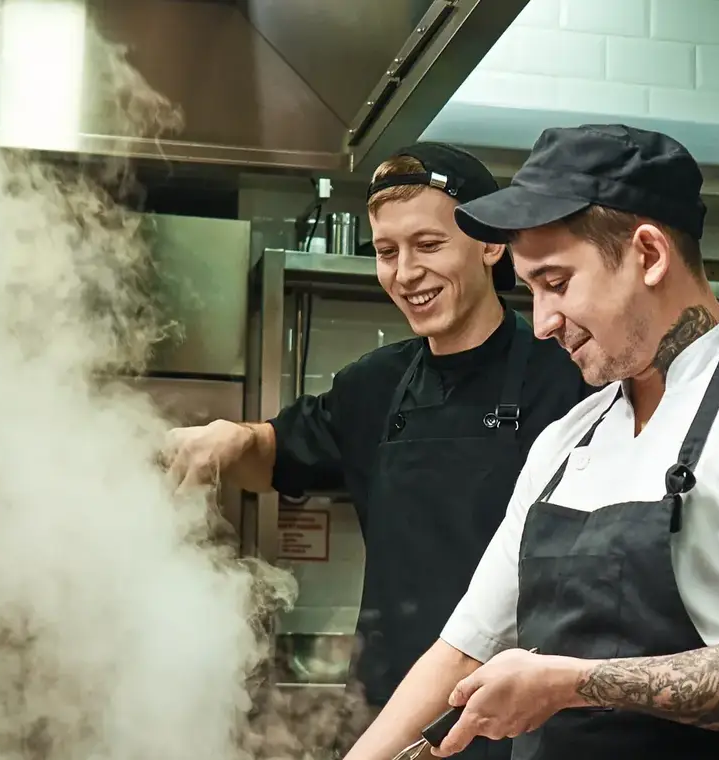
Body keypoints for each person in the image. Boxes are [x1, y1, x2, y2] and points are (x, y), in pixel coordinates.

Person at [340, 125, 719, 760]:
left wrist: (573, 683)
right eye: (532, 289)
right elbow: (462, 651)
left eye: (558, 283)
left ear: (648, 255)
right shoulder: (567, 441)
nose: (540, 323)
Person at [165, 143, 596, 758]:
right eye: (387, 252)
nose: (405, 273)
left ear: (491, 244)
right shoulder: (373, 386)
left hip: (520, 724)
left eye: (428, 245)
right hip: (386, 711)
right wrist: (235, 438)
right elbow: (280, 452)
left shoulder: (568, 380)